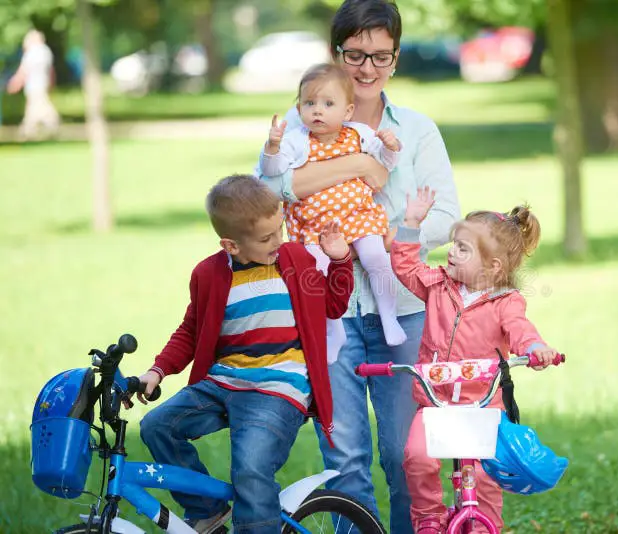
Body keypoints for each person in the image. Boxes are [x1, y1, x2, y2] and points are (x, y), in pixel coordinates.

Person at [255, 1, 460, 532]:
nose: (368, 69)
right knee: (344, 465)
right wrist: (357, 165)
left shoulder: (415, 131)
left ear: (396, 57)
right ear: (335, 52)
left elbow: (447, 216)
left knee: (405, 459)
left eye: (381, 56)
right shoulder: (303, 122)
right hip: (329, 314)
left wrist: (394, 234)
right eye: (355, 55)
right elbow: (266, 192)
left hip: (406, 312)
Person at [134, 174, 354, 533]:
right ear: (231, 245)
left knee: (251, 467)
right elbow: (191, 330)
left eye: (279, 230)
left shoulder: (295, 261)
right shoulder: (209, 275)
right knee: (157, 426)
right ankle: (206, 510)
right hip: (224, 381)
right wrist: (157, 371)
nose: (278, 242)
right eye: (267, 238)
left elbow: (333, 304)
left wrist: (341, 260)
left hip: (279, 386)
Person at [391, 188, 561, 533]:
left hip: (482, 409)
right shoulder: (438, 285)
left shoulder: (506, 301)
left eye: (463, 248)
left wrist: (535, 348)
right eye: (454, 243)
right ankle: (429, 519)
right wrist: (411, 223)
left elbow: (520, 330)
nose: (451, 252)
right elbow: (405, 266)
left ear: (492, 266)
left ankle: (484, 528)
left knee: (482, 481)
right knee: (415, 456)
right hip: (436, 404)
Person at [260, 63, 407, 364]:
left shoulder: (360, 135)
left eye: (328, 104)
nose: (318, 111)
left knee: (376, 257)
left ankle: (389, 317)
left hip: (359, 216)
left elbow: (385, 165)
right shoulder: (297, 141)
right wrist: (272, 148)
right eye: (309, 103)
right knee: (320, 275)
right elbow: (272, 173)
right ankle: (334, 330)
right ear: (299, 107)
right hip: (317, 226)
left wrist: (391, 148)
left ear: (348, 110)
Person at [6, 30, 60, 140]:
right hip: (42, 84)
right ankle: (29, 130)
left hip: (33, 85)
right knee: (35, 107)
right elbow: (50, 71)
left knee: (40, 108)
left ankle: (37, 129)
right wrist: (51, 84)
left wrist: (14, 83)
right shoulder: (46, 52)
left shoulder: (31, 52)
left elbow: (24, 71)